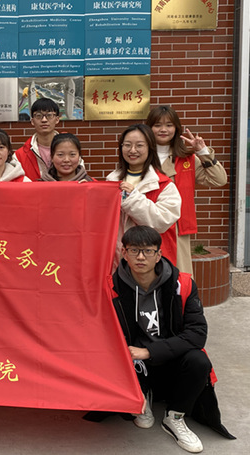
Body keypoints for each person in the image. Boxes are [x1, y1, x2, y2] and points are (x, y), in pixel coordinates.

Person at [111, 225, 233, 453]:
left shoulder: (182, 285)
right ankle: (140, 397)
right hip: (133, 363)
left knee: (199, 361)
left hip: (168, 357)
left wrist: (150, 352)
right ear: (124, 253)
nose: (140, 257)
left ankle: (175, 417)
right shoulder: (111, 288)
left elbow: (197, 334)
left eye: (148, 251)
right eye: (134, 250)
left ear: (158, 255)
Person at [146, 106, 228, 274]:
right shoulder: (140, 156)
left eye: (169, 125)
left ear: (176, 128)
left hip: (177, 226)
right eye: (157, 125)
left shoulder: (187, 159)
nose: (163, 129)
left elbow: (219, 179)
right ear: (149, 128)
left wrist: (203, 152)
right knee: (145, 272)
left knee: (178, 275)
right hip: (145, 222)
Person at [106, 124, 181, 267]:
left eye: (139, 145)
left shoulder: (164, 185)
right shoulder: (111, 181)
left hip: (150, 265)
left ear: (150, 148)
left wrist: (132, 198)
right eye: (127, 145)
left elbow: (161, 222)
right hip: (115, 261)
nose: (132, 150)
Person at [15, 97, 61, 180]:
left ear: (57, 119)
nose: (44, 120)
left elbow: (80, 177)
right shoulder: (19, 156)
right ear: (32, 121)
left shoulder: (70, 149)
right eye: (39, 116)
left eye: (49, 115)